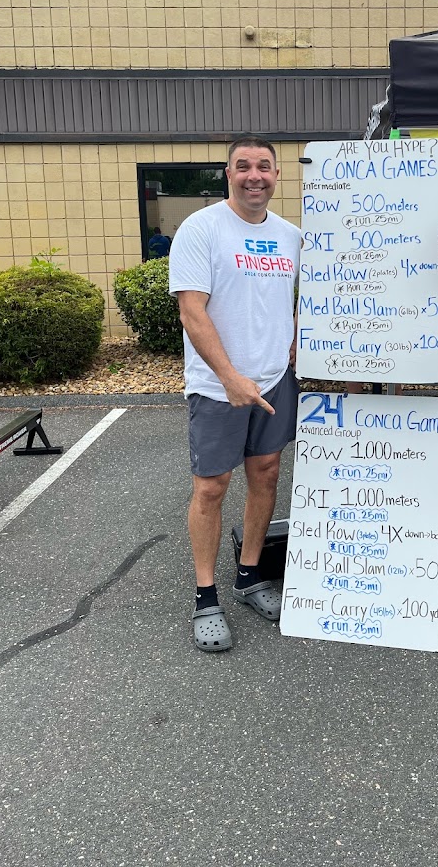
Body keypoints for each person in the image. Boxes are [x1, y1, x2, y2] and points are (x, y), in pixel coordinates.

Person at [169, 136, 301, 652]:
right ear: (228, 174)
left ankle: (249, 577)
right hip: (217, 385)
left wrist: (296, 334)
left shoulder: (290, 236)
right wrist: (228, 376)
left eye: (264, 166)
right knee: (211, 487)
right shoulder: (201, 228)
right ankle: (206, 597)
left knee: (266, 473)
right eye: (243, 166)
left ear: (276, 175)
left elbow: (300, 298)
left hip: (274, 379)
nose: (254, 175)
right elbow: (191, 311)